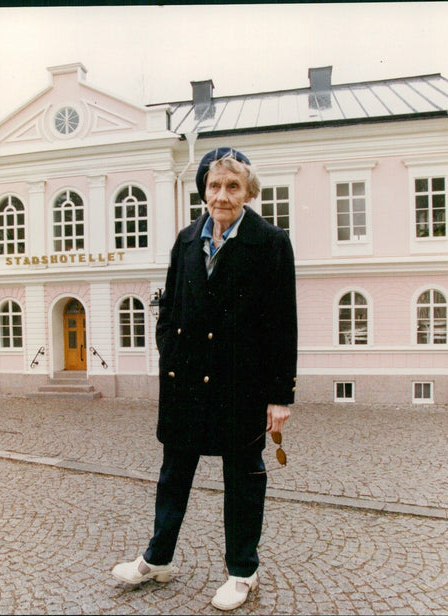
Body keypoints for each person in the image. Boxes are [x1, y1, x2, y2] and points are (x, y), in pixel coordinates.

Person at [111, 147, 298, 610]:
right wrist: (168, 348)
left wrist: (280, 395)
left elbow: (283, 323)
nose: (222, 195)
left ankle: (243, 572)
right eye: (214, 186)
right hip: (187, 383)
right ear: (204, 191)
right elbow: (170, 304)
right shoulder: (187, 239)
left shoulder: (271, 242)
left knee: (243, 479)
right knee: (173, 474)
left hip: (242, 386)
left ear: (248, 192)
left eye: (233, 186)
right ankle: (158, 559)